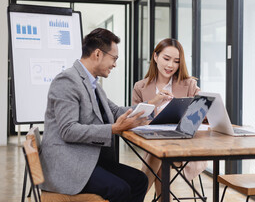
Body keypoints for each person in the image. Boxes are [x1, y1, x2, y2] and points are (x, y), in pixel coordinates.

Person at [40, 28, 150, 202]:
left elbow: (114, 112)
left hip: (86, 157)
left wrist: (149, 106)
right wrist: (113, 129)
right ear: (98, 54)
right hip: (68, 165)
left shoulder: (93, 83)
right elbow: (68, 130)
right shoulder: (67, 80)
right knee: (120, 189)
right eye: (114, 58)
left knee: (140, 180)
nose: (115, 64)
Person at [132, 38, 208, 198]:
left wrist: (201, 105)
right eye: (166, 59)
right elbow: (135, 118)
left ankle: (135, 198)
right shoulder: (140, 87)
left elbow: (203, 117)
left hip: (184, 146)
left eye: (176, 61)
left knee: (159, 155)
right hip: (154, 144)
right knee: (159, 153)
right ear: (155, 57)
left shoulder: (190, 85)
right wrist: (153, 105)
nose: (170, 65)